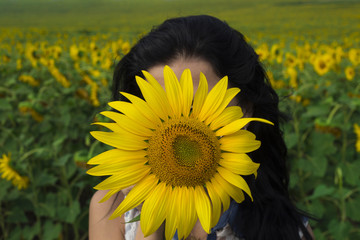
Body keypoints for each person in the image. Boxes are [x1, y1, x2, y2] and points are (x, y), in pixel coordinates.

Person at [89, 15, 314, 240]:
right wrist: (152, 216)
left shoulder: (285, 230)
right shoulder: (111, 208)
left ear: (244, 108)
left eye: (198, 107)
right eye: (159, 106)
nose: (181, 124)